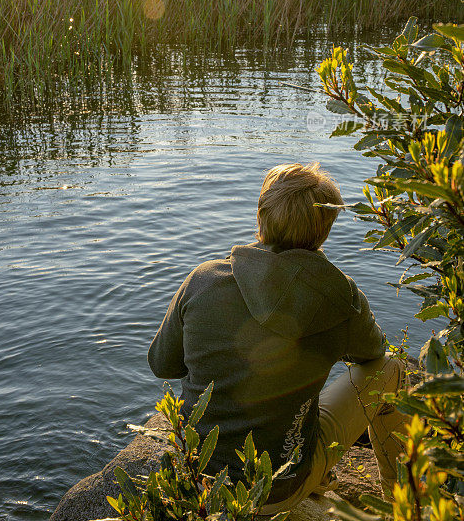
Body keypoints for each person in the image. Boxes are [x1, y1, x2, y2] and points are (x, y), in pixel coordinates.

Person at [147, 162, 407, 513]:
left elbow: (162, 364)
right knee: (390, 369)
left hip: (199, 478)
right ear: (326, 228)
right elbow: (373, 352)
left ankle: (324, 478)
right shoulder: (341, 297)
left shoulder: (204, 279)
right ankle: (406, 504)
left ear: (261, 216)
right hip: (278, 489)